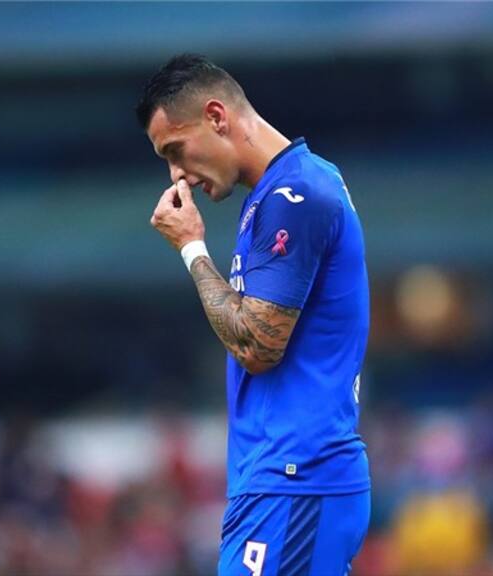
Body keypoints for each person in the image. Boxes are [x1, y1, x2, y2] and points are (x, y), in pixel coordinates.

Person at [137, 54, 371, 576]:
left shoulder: (295, 193)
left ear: (217, 116)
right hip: (281, 481)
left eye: (175, 150)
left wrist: (192, 250)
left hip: (295, 477)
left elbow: (256, 345)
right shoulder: (279, 193)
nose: (178, 176)